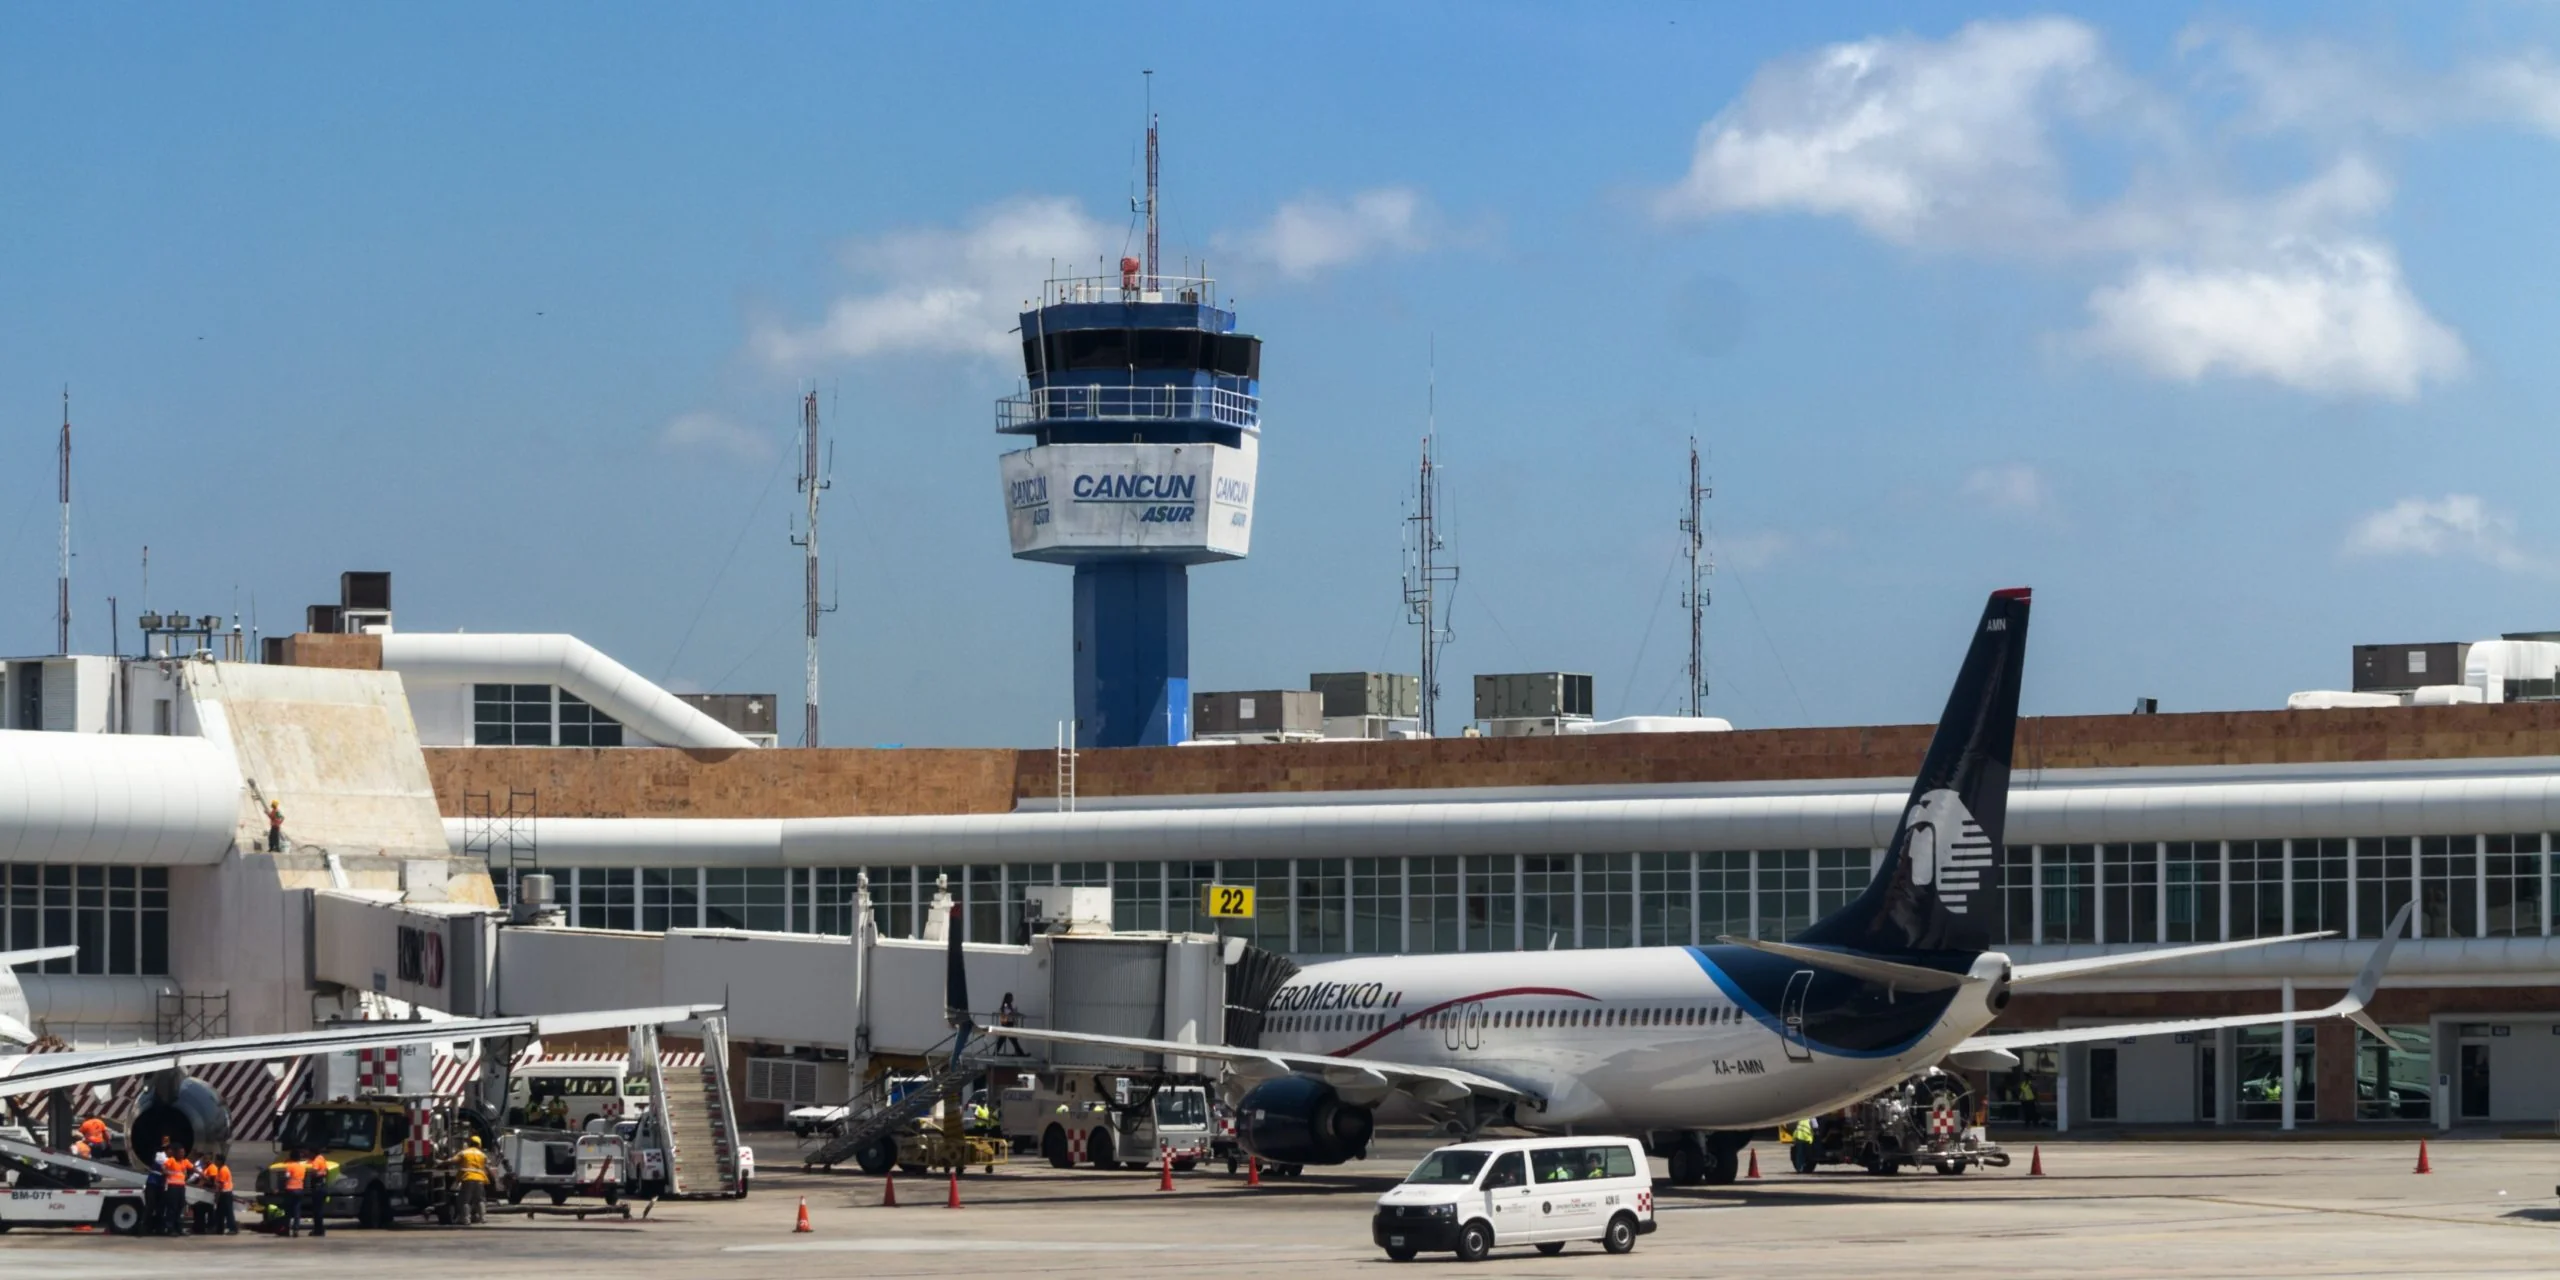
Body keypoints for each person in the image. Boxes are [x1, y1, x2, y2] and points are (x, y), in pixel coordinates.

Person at [454, 1135, 489, 1225]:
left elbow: (453, 1160)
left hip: (468, 1178)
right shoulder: (482, 1154)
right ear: (479, 1144)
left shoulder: (464, 1152)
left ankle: (466, 1219)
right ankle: (483, 1218)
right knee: (480, 1199)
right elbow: (487, 1164)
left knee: (465, 1200)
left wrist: (441, 1162)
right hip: (480, 1179)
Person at [271, 1151, 307, 1238]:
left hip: (290, 1189)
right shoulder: (302, 1167)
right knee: (297, 1210)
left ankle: (286, 1229)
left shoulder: (290, 1166)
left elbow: (286, 1178)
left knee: (287, 1211)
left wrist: (279, 1188)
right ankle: (296, 1229)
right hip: (299, 1189)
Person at [161, 1145, 194, 1236]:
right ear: (176, 1153)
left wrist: (202, 1175)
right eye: (180, 1152)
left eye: (183, 1152)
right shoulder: (171, 1160)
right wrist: (167, 1172)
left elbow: (193, 1168)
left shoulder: (185, 1162)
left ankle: (178, 1228)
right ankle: (170, 1229)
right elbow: (163, 1168)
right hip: (172, 1187)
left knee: (180, 1207)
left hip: (181, 1187)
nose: (182, 1154)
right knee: (172, 1208)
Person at [302, 1149, 334, 1236]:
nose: (307, 1154)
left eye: (308, 1153)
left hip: (317, 1188)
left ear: (313, 1152)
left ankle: (318, 1230)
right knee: (319, 1210)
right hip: (323, 1187)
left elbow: (314, 1172)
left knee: (317, 1211)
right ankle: (320, 1229)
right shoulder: (322, 1158)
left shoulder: (316, 1161)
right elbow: (325, 1171)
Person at [209, 1155, 237, 1235]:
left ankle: (233, 1228)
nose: (215, 1162)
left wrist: (217, 1196)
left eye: (216, 1160)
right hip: (223, 1193)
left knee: (228, 1212)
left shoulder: (223, 1170)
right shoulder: (220, 1169)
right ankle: (219, 1229)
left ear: (220, 1161)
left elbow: (220, 1185)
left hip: (225, 1193)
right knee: (219, 1213)